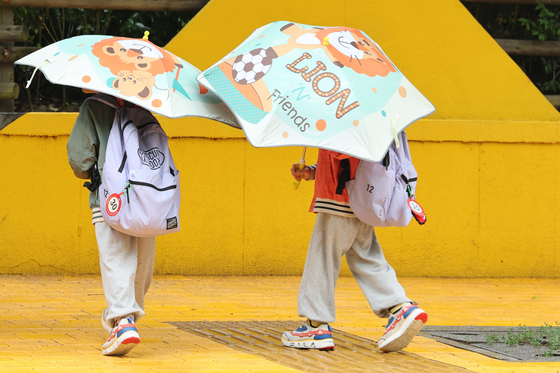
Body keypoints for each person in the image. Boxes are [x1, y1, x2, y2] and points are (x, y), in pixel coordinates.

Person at [281, 149, 427, 352]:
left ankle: (316, 325)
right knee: (365, 256)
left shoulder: (341, 117)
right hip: (359, 199)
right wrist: (313, 171)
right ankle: (400, 307)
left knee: (322, 257)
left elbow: (346, 152)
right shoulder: (365, 118)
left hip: (338, 197)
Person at [67, 92, 155, 356]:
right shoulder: (146, 105)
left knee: (116, 259)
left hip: (109, 198)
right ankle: (126, 320)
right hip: (146, 200)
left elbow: (79, 157)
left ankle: (123, 321)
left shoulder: (93, 106)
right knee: (141, 263)